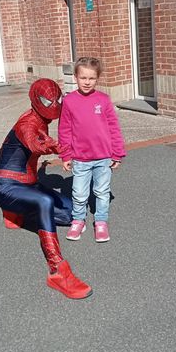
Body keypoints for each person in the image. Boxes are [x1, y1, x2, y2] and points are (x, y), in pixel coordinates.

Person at [0, 78, 92, 300]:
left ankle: (16, 214)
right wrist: (58, 146)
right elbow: (34, 142)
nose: (53, 105)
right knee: (44, 202)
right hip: (7, 187)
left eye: (57, 100)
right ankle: (57, 271)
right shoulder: (26, 124)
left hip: (29, 184)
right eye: (49, 101)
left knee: (74, 214)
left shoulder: (42, 119)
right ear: (37, 100)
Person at [58, 57, 126, 243]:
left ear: (97, 78)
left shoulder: (103, 100)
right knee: (79, 194)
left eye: (91, 78)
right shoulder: (69, 101)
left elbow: (113, 128)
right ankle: (78, 220)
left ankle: (101, 221)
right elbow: (64, 130)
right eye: (83, 78)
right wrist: (65, 154)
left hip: (103, 157)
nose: (87, 82)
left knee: (102, 192)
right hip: (80, 158)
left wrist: (117, 153)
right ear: (76, 77)